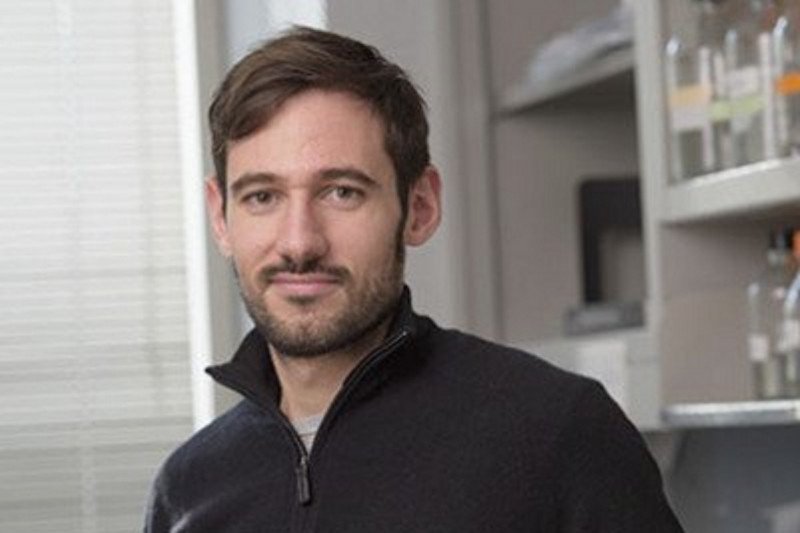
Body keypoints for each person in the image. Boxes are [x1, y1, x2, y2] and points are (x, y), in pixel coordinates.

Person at [145, 26, 683, 532]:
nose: (300, 243)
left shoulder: (557, 432)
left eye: (342, 192)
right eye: (262, 197)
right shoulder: (189, 489)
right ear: (221, 217)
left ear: (420, 207)